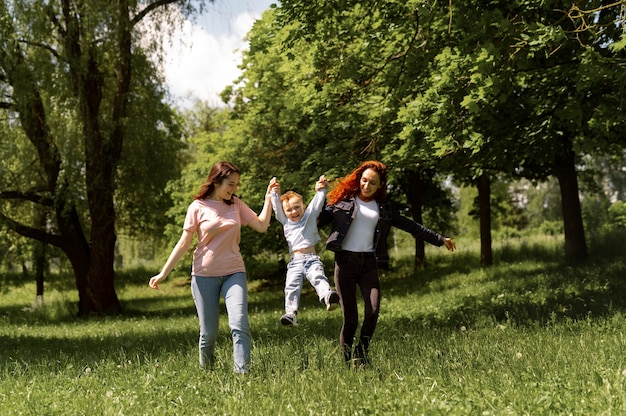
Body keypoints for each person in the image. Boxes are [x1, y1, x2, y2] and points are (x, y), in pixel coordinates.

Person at [318, 160, 456, 368]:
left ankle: (361, 354)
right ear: (359, 179)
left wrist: (439, 239)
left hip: (368, 265)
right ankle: (347, 362)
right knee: (351, 320)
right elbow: (314, 220)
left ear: (380, 185)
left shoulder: (384, 208)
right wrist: (318, 195)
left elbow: (411, 226)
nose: (366, 186)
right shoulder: (342, 201)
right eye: (364, 180)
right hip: (345, 263)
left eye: (372, 183)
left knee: (373, 312)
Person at [149, 161, 277, 374]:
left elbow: (262, 226)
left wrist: (268, 198)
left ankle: (242, 375)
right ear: (216, 181)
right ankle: (206, 373)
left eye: (236, 184)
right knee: (208, 333)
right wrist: (163, 273)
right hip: (204, 276)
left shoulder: (235, 204)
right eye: (230, 184)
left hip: (234, 272)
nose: (234, 189)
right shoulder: (197, 207)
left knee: (239, 324)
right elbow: (183, 243)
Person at [270, 175, 340, 327]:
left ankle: (328, 296)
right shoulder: (285, 222)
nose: (294, 212)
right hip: (295, 262)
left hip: (311, 258)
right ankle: (291, 314)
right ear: (284, 212)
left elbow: (317, 203)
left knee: (317, 277)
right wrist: (274, 192)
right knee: (291, 286)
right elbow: (276, 208)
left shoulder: (309, 216)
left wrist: (321, 189)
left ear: (303, 207)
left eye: (297, 207)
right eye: (289, 210)